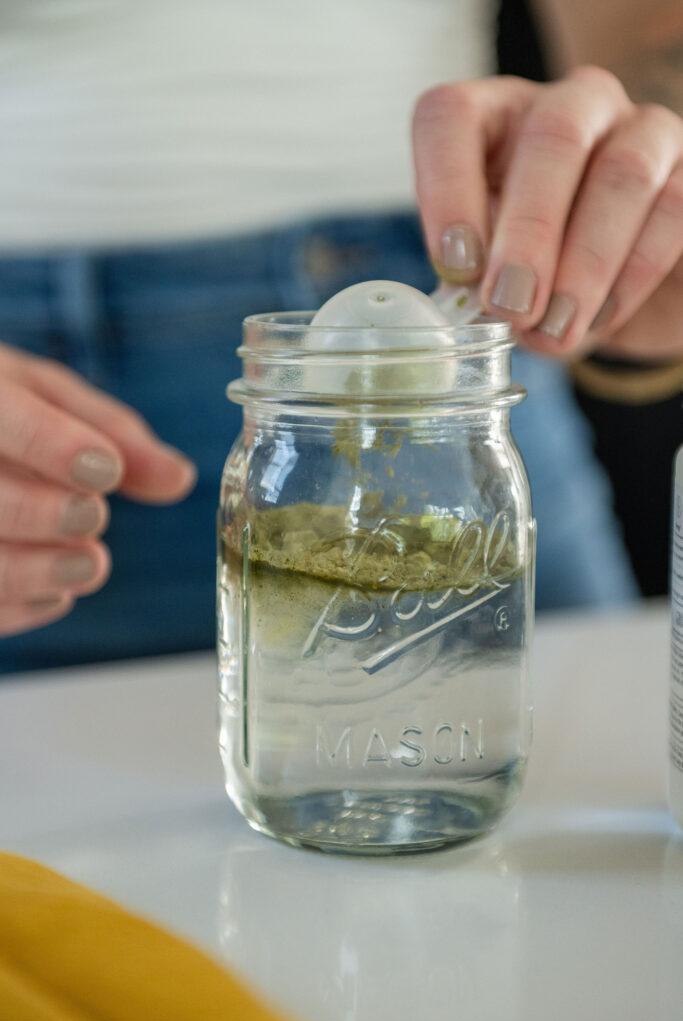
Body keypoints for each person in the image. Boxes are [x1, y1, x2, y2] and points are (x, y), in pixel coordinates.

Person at [0, 0, 680, 672]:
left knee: (565, 766)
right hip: (22, 436)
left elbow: (645, 45)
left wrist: (628, 188)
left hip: (454, 389)